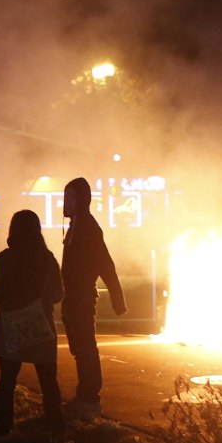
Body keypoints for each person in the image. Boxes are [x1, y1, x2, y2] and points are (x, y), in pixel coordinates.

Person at [0, 210, 65, 443]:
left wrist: (8, 301)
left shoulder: (6, 258)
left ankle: (2, 428)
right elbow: (57, 293)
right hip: (41, 324)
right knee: (48, 380)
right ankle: (56, 428)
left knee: (8, 379)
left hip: (11, 325)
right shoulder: (47, 258)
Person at [60, 177, 127, 420]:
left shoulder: (88, 227)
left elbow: (105, 263)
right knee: (80, 346)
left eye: (70, 197)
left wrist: (118, 300)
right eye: (65, 197)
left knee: (85, 346)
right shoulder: (76, 225)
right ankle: (84, 393)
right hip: (73, 298)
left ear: (81, 200)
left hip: (82, 298)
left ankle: (90, 397)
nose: (65, 202)